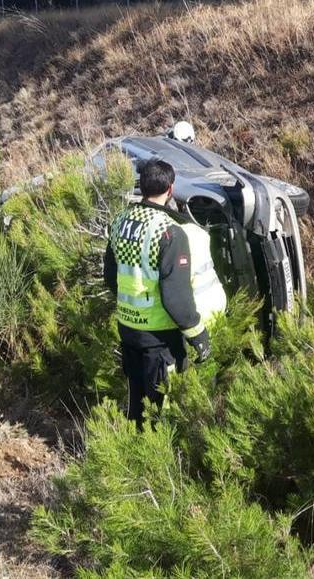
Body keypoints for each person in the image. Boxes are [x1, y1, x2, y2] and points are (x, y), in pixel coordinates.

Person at [104, 158, 223, 428]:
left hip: (128, 329)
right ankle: (160, 460)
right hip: (159, 338)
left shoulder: (120, 221)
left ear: (141, 186)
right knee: (162, 410)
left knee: (137, 402)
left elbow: (111, 277)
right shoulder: (169, 233)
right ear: (170, 189)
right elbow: (176, 297)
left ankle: (134, 451)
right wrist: (199, 336)